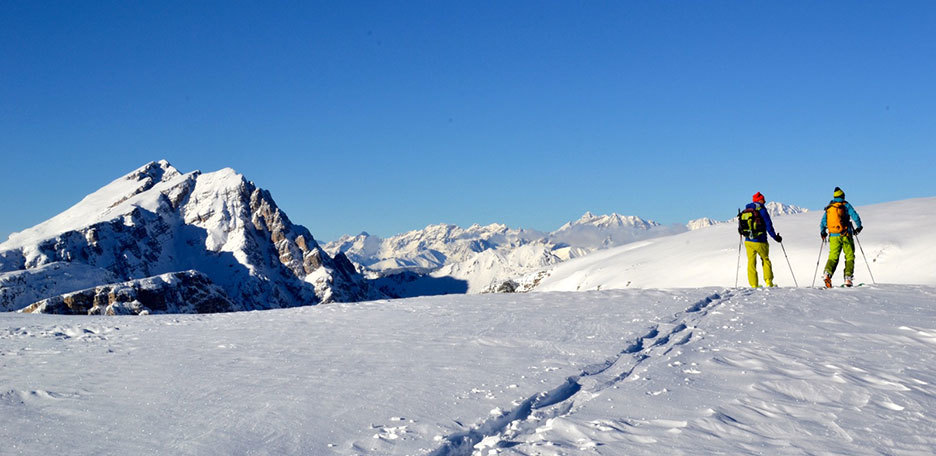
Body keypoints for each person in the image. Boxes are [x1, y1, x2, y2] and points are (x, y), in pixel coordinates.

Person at [820, 187, 863, 287]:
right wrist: (859, 226)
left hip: (833, 236)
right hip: (846, 235)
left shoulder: (830, 207)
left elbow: (823, 222)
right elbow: (854, 215)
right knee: (849, 256)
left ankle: (827, 274)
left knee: (833, 256)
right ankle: (848, 278)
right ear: (843, 196)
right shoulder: (845, 205)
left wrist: (823, 232)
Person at [739, 192, 782, 287]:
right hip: (760, 240)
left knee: (751, 262)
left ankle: (754, 284)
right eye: (763, 199)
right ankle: (768, 282)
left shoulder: (746, 210)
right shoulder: (761, 210)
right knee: (765, 260)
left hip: (748, 241)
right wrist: (776, 237)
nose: (765, 201)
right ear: (760, 200)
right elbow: (768, 226)